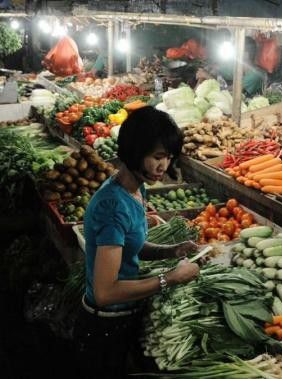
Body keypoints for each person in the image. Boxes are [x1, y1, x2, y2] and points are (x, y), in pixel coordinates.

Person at [74, 107, 202, 378]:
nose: (163, 166)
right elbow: (105, 292)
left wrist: (172, 250)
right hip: (104, 325)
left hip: (121, 319)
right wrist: (170, 279)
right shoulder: (113, 206)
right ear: (134, 151)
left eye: (168, 157)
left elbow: (132, 247)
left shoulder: (135, 188)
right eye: (157, 157)